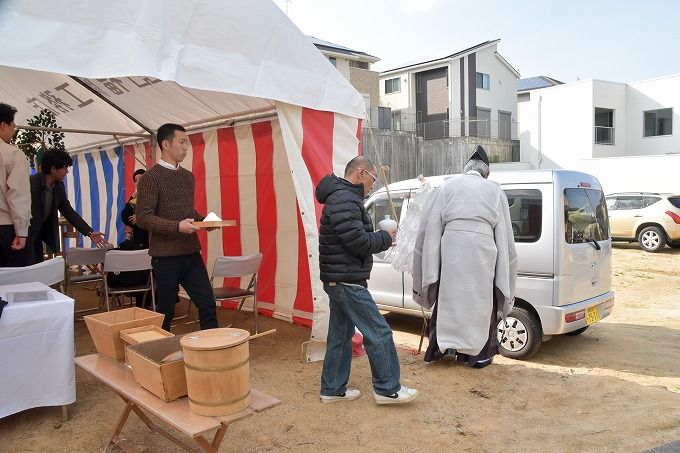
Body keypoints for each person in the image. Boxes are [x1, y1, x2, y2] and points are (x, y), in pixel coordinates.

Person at [315, 156, 418, 405]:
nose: (373, 184)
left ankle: (332, 389)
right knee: (379, 331)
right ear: (361, 173)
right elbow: (358, 242)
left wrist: (380, 236)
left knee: (340, 335)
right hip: (346, 279)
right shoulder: (344, 199)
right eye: (373, 178)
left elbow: (353, 238)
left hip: (340, 278)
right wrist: (385, 236)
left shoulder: (343, 198)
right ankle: (387, 389)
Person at [413, 145, 517, 368]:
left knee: (448, 298)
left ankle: (441, 350)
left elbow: (430, 228)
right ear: (486, 172)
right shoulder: (495, 190)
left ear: (466, 169)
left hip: (451, 250)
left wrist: (432, 263)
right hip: (483, 252)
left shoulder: (447, 187)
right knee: (481, 303)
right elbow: (505, 236)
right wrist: (503, 266)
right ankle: (477, 357)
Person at [135, 123, 218, 331]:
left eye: (187, 143)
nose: (186, 147)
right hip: (165, 257)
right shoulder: (150, 178)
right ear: (165, 144)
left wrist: (205, 221)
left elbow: (187, 212)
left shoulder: (187, 176)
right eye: (182, 142)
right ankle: (159, 358)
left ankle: (213, 356)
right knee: (165, 312)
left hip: (191, 253)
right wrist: (176, 227)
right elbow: (143, 217)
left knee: (208, 304)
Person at [29, 148, 107, 263]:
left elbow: (68, 211)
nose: (67, 171)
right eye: (65, 168)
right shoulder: (31, 183)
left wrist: (89, 232)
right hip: (23, 235)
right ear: (53, 169)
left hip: (37, 235)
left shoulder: (58, 186)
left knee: (36, 267)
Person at [0, 103, 30, 267]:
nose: (14, 128)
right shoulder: (12, 154)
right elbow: (18, 195)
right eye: (12, 124)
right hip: (6, 229)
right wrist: (21, 232)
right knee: (12, 285)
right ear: (3, 125)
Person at [120, 168, 149, 249]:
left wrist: (140, 217)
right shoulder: (135, 199)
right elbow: (125, 217)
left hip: (151, 240)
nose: (138, 182)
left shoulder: (153, 196)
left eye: (141, 178)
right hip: (138, 239)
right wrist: (132, 197)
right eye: (136, 180)